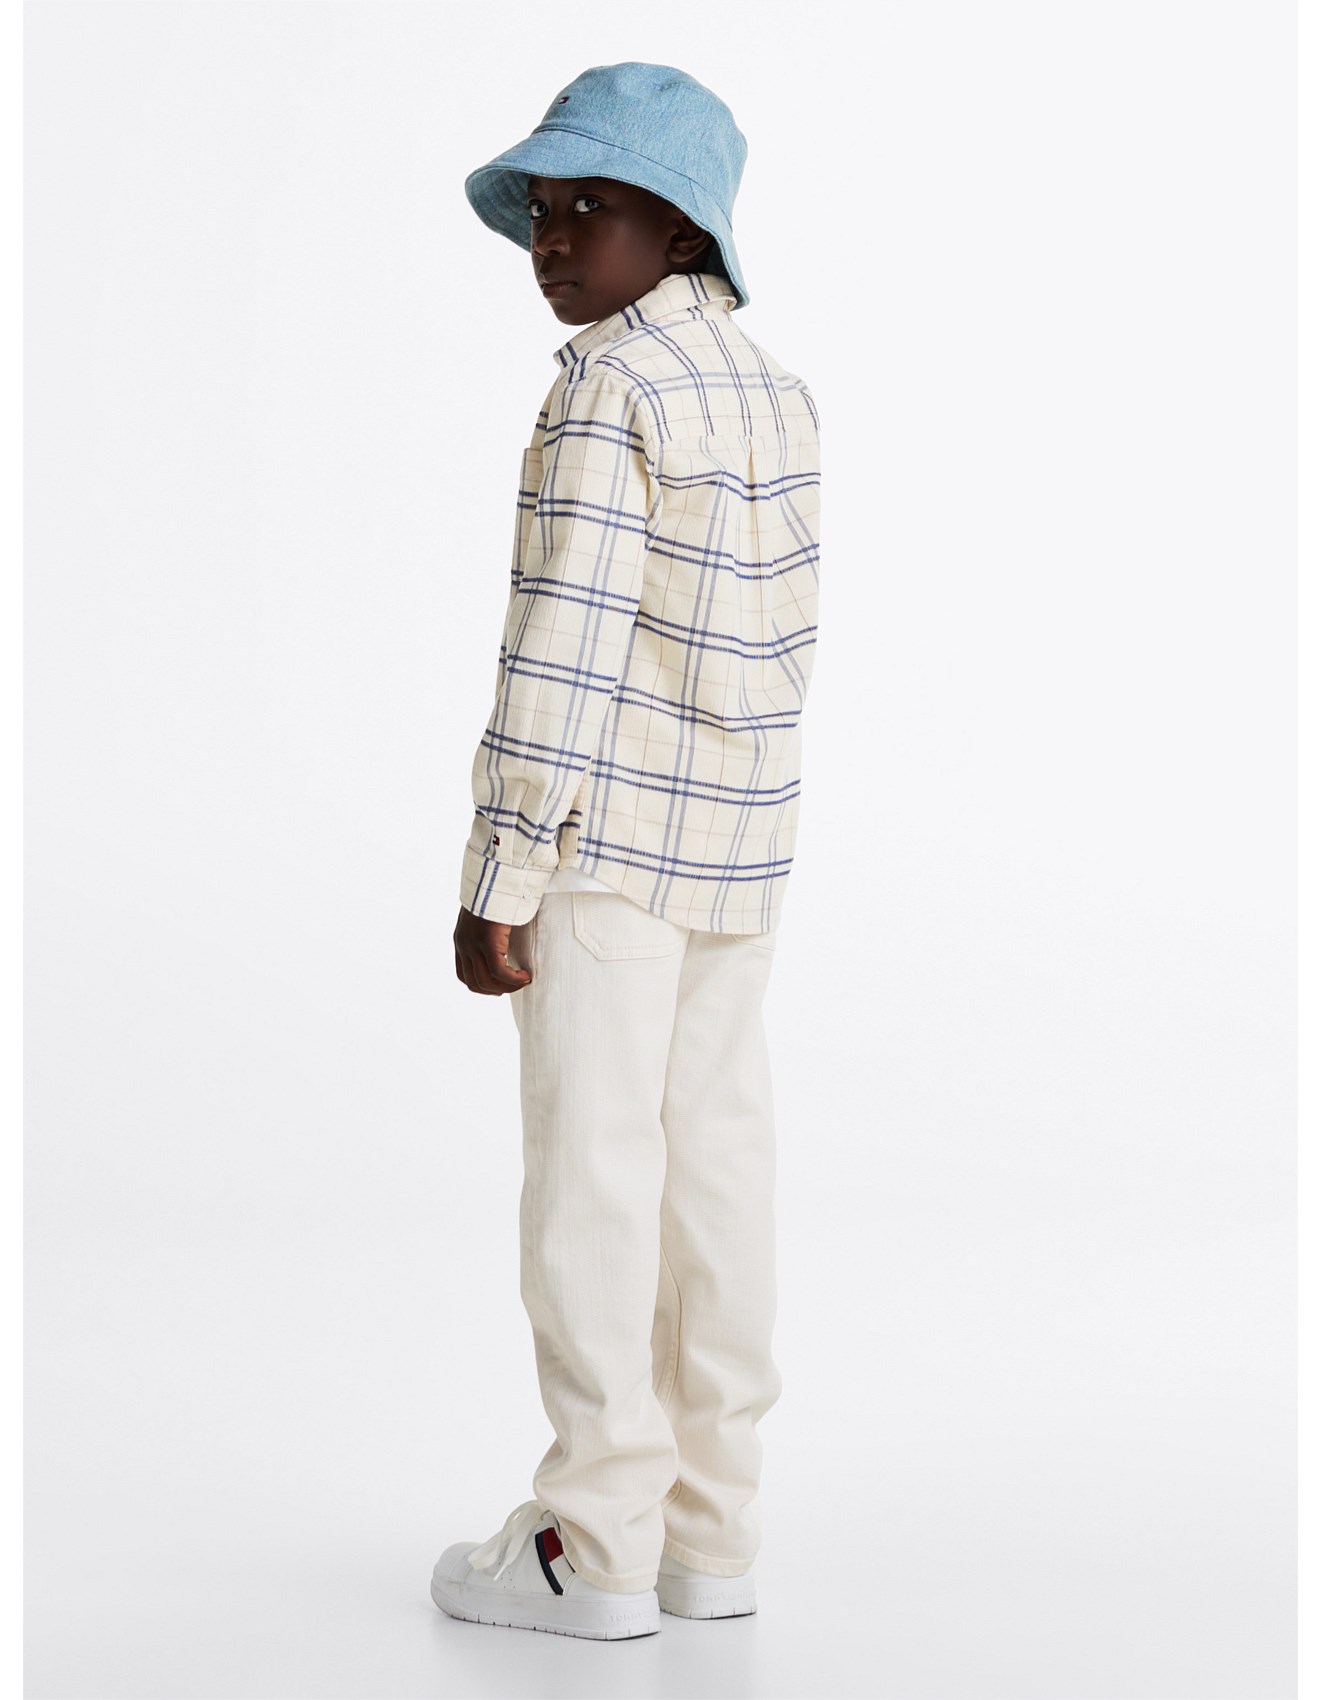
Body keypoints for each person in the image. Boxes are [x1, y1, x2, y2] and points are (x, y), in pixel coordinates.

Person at [431, 61, 821, 1641]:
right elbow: (787, 639)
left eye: (590, 202)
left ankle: (592, 1545)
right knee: (717, 1174)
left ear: (682, 228)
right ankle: (711, 1536)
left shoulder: (610, 388)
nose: (552, 234)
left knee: (594, 1184)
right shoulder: (775, 390)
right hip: (737, 853)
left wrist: (500, 874)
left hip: (604, 860)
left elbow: (566, 643)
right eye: (543, 204)